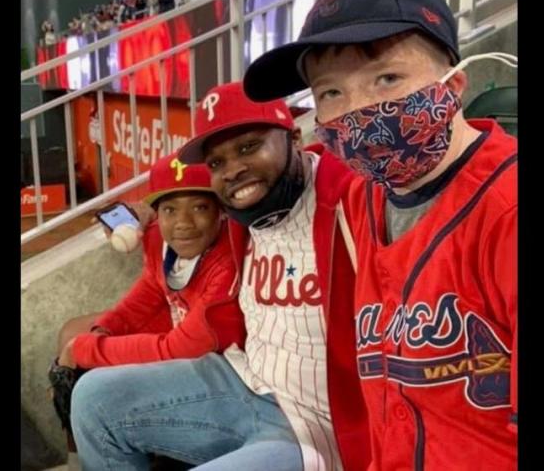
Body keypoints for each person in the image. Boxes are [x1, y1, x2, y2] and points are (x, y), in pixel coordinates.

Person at [242, 0, 519, 470]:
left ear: (452, 87)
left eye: (387, 77)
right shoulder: (363, 200)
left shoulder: (508, 210)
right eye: (330, 93)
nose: (358, 110)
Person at [71, 82, 370, 471]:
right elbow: (175, 229)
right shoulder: (241, 216)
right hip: (246, 380)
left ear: (294, 137)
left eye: (249, 147)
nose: (233, 171)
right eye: (216, 163)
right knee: (93, 396)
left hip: (320, 425)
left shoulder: (349, 198)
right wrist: (143, 213)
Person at [51, 153, 247, 465]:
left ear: (221, 211)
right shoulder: (158, 236)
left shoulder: (228, 259)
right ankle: (79, 460)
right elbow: (150, 289)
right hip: (181, 336)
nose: (183, 223)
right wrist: (106, 329)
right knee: (73, 337)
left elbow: (184, 347)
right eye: (170, 209)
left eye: (199, 207)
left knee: (87, 367)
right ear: (156, 213)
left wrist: (93, 348)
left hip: (222, 371)